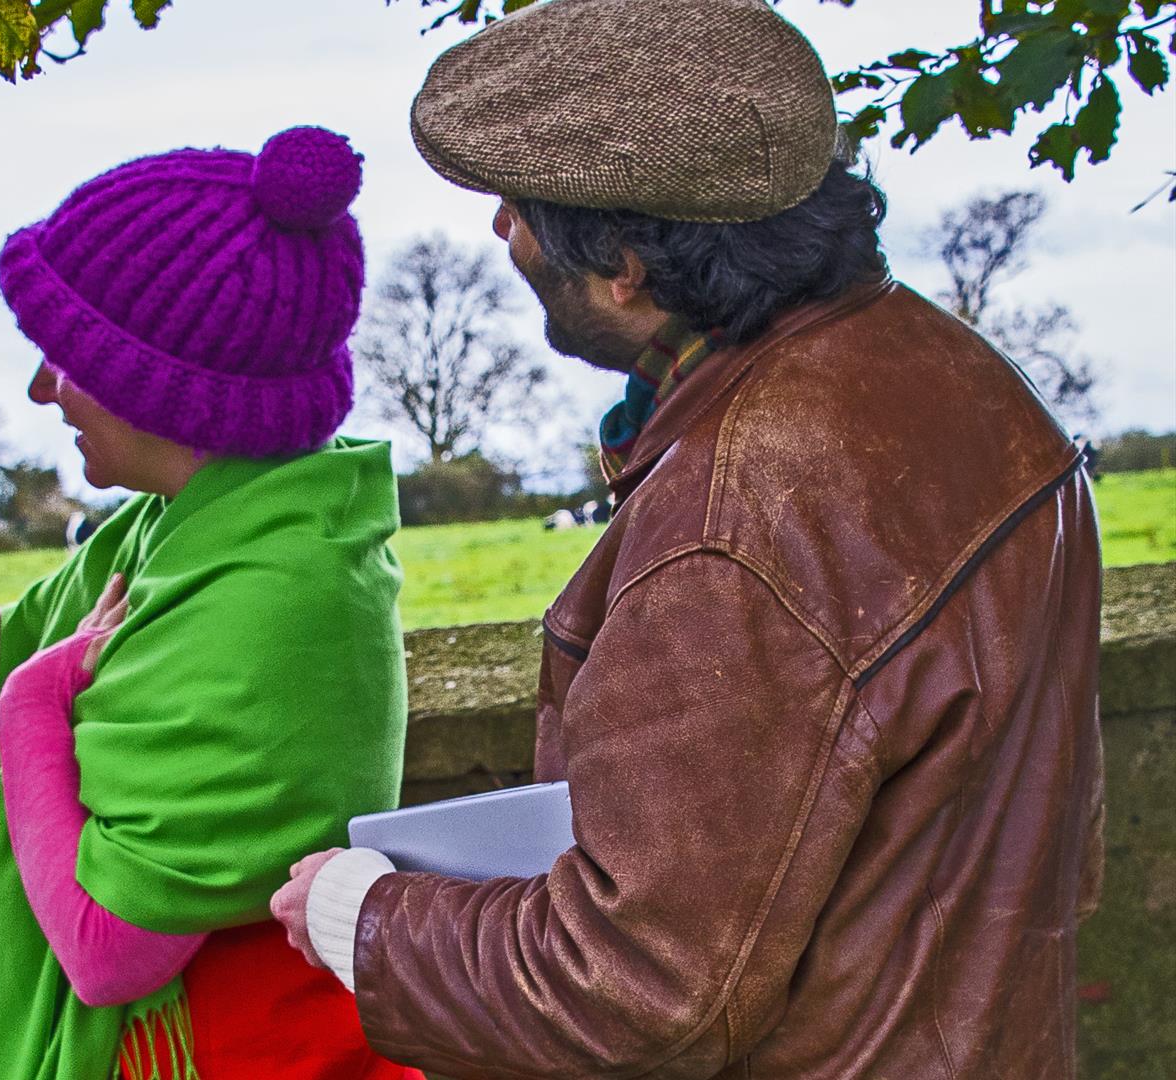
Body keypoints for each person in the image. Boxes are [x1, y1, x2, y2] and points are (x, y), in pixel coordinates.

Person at [270, 2, 1105, 1077]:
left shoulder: (735, 524)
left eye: (518, 210)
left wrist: (364, 913)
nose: (499, 234)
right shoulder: (971, 382)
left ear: (624, 266)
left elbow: (637, 988)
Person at [0, 127, 425, 1080]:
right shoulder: (191, 523)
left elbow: (109, 952)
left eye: (70, 356)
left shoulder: (282, 599)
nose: (43, 387)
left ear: (163, 383)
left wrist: (32, 709)